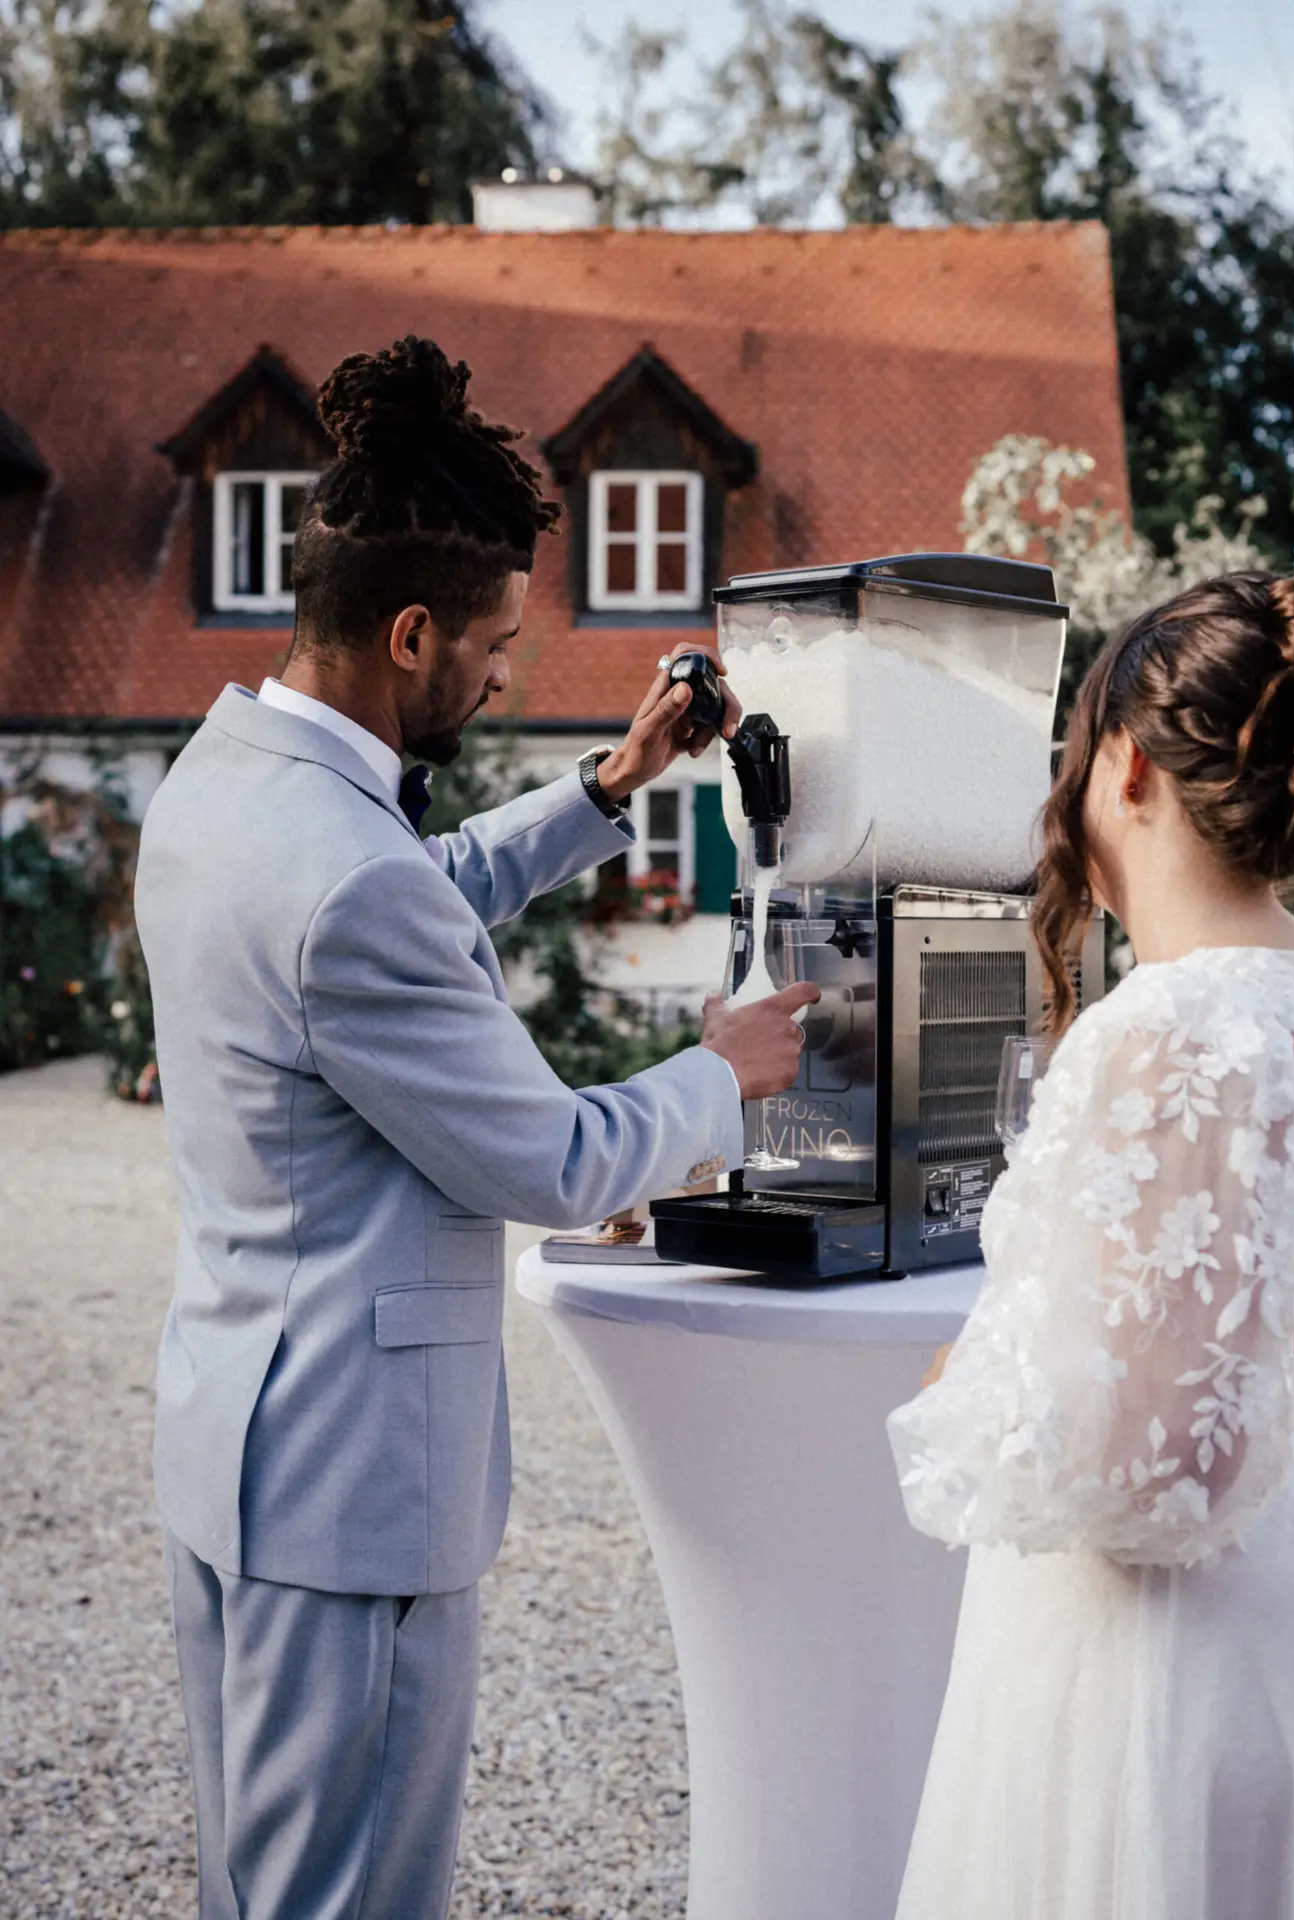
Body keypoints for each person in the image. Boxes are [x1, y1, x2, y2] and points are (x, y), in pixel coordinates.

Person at [134, 335, 816, 1920]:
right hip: (351, 1486)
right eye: (496, 646)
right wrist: (725, 1071)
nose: (507, 673)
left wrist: (611, 784)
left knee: (262, 1884)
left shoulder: (227, 783)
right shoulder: (347, 871)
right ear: (412, 630)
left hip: (234, 1440)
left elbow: (407, 907)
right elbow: (552, 1161)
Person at [887, 572, 1294, 1920]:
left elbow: (1163, 1478)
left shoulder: (1177, 1022)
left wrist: (959, 1398)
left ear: (1128, 767)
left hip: (1166, 1661)